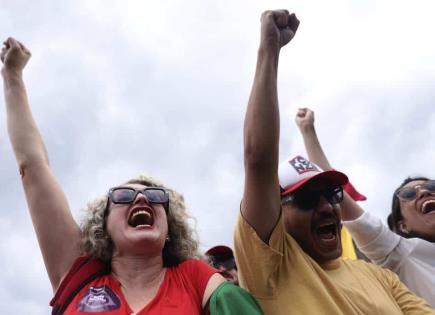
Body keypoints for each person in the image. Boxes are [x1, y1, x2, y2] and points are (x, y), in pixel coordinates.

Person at [1, 37, 262, 315]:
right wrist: (12, 75)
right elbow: (33, 166)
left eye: (155, 196)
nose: (141, 199)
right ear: (104, 228)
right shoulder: (78, 274)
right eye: (124, 196)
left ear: (169, 229)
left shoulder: (196, 278)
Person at [234, 9, 435, 314]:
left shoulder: (382, 279)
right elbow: (258, 159)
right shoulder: (271, 269)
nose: (327, 206)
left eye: (332, 195)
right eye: (307, 198)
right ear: (275, 209)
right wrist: (269, 49)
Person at [295, 107, 435, 307]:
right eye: (409, 194)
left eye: (431, 186)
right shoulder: (403, 254)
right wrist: (308, 131)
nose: (423, 192)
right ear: (402, 226)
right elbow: (337, 194)